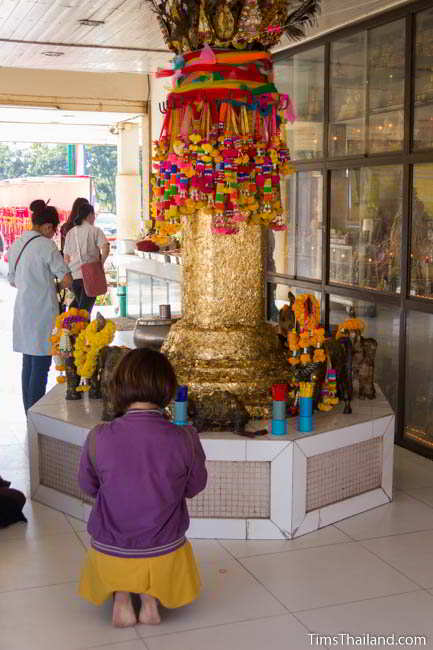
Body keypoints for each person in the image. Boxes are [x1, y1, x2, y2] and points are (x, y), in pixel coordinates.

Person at [78, 348, 207, 628]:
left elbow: (87, 486)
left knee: (115, 531)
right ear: (167, 389)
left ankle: (121, 600)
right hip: (164, 546)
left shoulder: (98, 437)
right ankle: (150, 602)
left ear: (119, 387)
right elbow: (195, 485)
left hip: (111, 547)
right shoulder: (184, 438)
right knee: (161, 534)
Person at [8, 204, 72, 414]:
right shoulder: (46, 245)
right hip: (42, 310)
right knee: (42, 363)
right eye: (54, 230)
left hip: (23, 309)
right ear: (47, 226)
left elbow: (12, 280)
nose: (53, 234)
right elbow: (66, 278)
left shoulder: (18, 242)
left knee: (29, 361)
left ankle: (29, 412)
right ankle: (35, 414)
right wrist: (54, 286)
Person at [63, 202, 110, 314]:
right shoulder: (95, 230)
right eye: (94, 215)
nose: (94, 218)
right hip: (91, 276)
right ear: (90, 215)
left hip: (75, 277)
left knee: (79, 309)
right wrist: (100, 264)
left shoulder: (71, 233)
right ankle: (81, 330)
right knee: (84, 312)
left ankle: (74, 329)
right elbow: (106, 249)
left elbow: (66, 258)